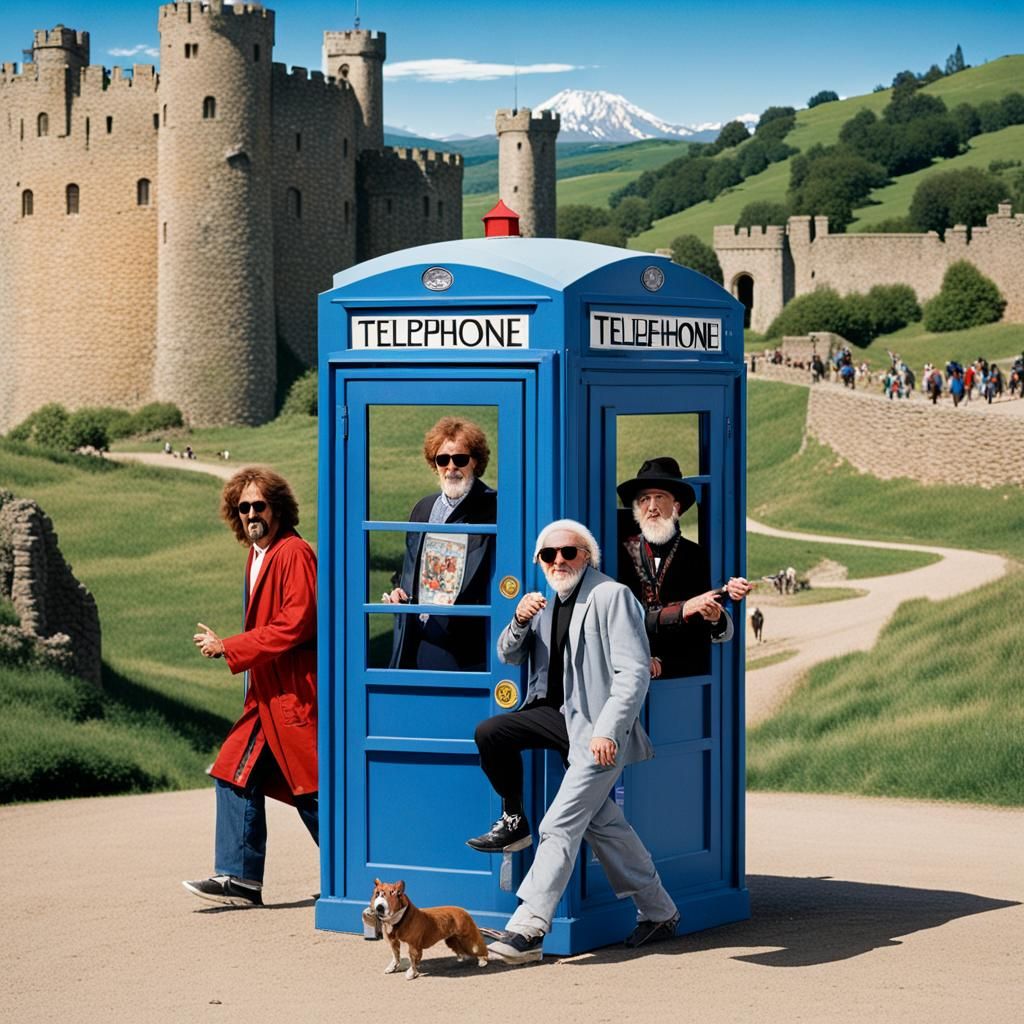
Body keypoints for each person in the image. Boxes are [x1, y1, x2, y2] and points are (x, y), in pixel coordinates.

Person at [482, 520, 679, 963]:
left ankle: (529, 926)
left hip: (599, 735)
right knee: (604, 825)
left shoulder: (611, 596)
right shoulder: (547, 602)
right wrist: (518, 619)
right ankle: (660, 912)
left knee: (558, 823)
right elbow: (506, 654)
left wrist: (609, 730)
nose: (558, 561)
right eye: (548, 555)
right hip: (564, 727)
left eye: (568, 552)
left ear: (586, 556)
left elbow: (632, 672)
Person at [183, 467, 318, 907]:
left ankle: (362, 871)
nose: (251, 514)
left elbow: (297, 623)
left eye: (259, 505)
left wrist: (231, 646)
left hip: (293, 690)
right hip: (265, 693)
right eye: (243, 508)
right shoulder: (259, 554)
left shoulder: (292, 553)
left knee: (313, 790)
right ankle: (239, 879)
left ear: (277, 507)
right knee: (232, 770)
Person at [616, 458, 752, 680]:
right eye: (644, 499)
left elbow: (699, 632)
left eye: (659, 497)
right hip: (625, 673)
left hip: (679, 679)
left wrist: (716, 615)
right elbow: (618, 619)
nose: (651, 507)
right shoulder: (619, 553)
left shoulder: (695, 557)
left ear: (676, 507)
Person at [383, 417, 496, 672]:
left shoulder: (494, 508)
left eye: (460, 459)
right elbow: (410, 567)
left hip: (471, 643)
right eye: (442, 460)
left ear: (476, 461)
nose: (451, 467)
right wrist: (399, 592)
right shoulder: (423, 508)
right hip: (420, 637)